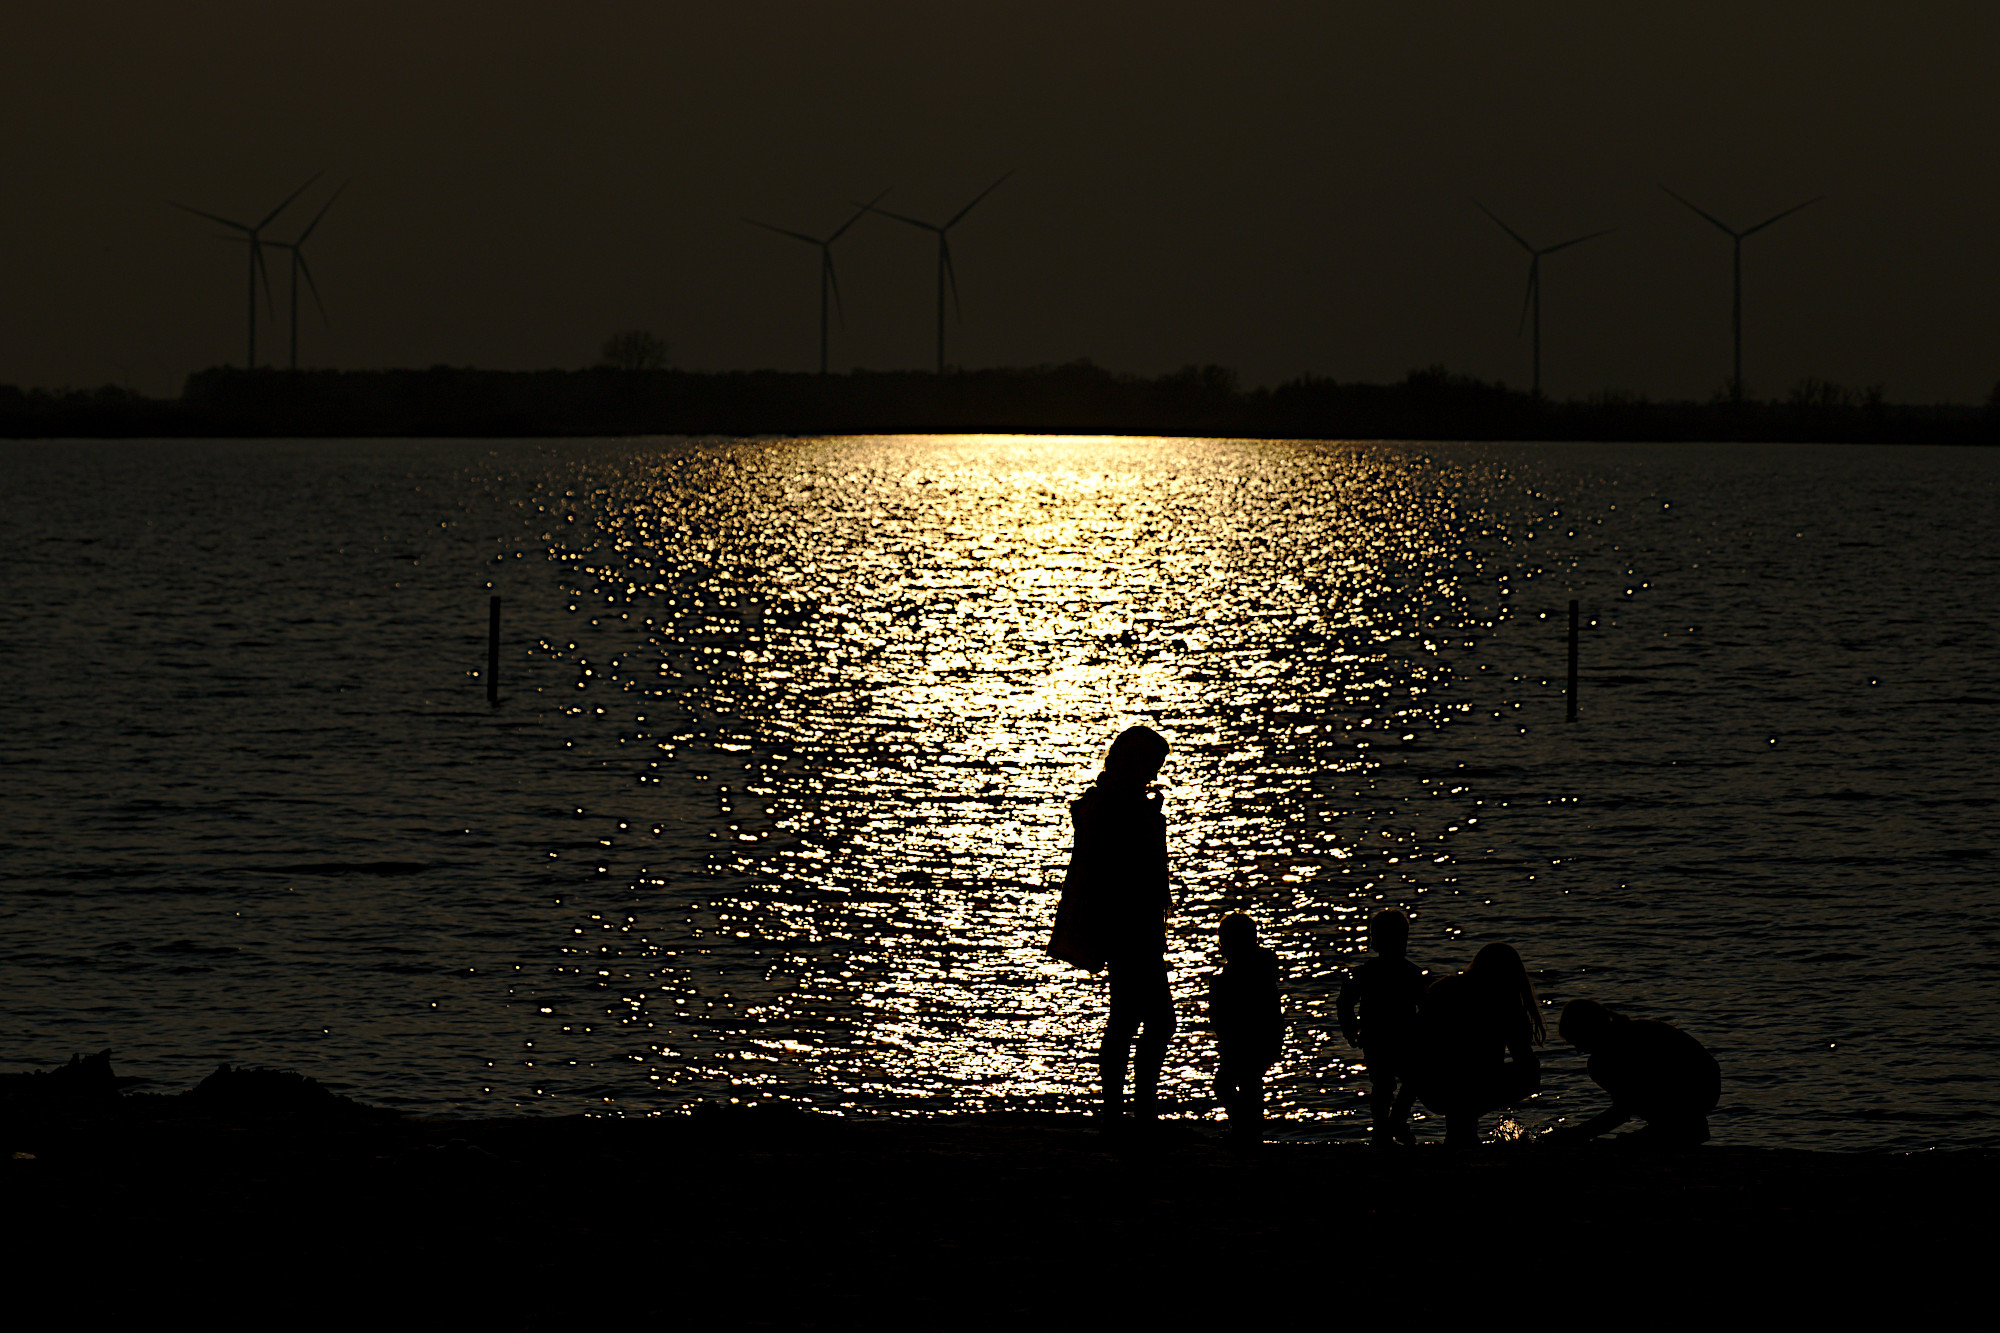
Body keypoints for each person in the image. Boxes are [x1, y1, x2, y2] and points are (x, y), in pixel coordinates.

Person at [1049, 724, 1174, 1122]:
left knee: (1129, 1018)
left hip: (1135, 923)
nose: (1155, 774)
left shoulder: (1117, 802)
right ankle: (1134, 1111)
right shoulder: (1120, 806)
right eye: (1152, 764)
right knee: (1150, 1019)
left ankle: (1124, 1110)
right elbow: (1123, 866)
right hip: (1130, 924)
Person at [1413, 941, 1544, 1148]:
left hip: (1427, 1084)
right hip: (1459, 1084)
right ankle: (1463, 1131)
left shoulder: (1445, 987)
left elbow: (1417, 1039)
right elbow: (1523, 1056)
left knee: (1463, 1072)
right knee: (1529, 1072)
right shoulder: (1503, 1001)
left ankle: (1461, 1131)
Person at [1540, 998, 1721, 1147]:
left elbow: (1623, 1109)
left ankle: (1677, 1129)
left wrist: (1577, 1134)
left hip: (1696, 1089)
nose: (1579, 1050)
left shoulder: (1612, 1056)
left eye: (1577, 1041)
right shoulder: (1638, 1030)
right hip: (1708, 1084)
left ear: (1588, 1031)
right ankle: (1676, 1128)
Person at [1336, 908, 1427, 1146]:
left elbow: (1345, 1002)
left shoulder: (1368, 972)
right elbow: (1426, 1009)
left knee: (1386, 1084)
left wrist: (1350, 1028)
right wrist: (1350, 1029)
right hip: (1393, 1037)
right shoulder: (1411, 973)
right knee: (1404, 1081)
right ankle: (1390, 1125)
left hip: (1382, 1037)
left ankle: (1386, 1127)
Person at [1208, 912, 1283, 1140]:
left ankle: (1243, 1126)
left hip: (1247, 1039)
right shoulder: (1260, 967)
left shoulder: (1237, 975)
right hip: (1261, 1038)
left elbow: (1222, 1017)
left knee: (1234, 1083)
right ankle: (1247, 1127)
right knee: (1247, 1083)